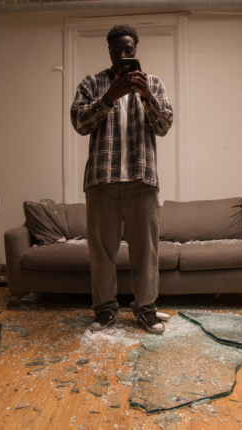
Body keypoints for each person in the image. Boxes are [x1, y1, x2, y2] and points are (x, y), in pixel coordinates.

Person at [70, 24, 174, 335]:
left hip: (142, 181)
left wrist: (145, 96)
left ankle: (146, 311)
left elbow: (165, 125)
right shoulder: (92, 83)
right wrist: (108, 98)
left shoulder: (153, 83)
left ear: (135, 51)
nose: (123, 55)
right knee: (102, 253)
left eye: (128, 50)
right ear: (110, 51)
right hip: (102, 181)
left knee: (146, 250)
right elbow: (80, 123)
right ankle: (104, 312)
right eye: (117, 50)